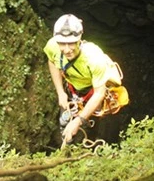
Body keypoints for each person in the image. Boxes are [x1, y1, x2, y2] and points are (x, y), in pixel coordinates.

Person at [44, 14, 113, 143]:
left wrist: (79, 120)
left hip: (92, 93)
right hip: (72, 89)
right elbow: (52, 62)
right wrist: (60, 92)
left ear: (79, 39)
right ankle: (65, 144)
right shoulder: (53, 46)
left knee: (86, 127)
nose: (67, 49)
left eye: (71, 43)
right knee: (64, 122)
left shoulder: (94, 57)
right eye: (62, 44)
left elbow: (99, 93)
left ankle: (88, 142)